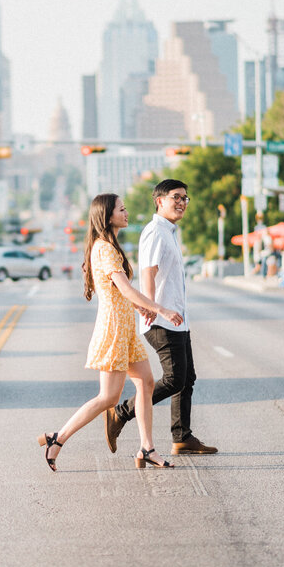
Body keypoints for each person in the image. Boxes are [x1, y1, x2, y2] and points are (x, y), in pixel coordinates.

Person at [38, 193, 184, 472]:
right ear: (107, 216)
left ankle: (147, 448)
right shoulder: (104, 248)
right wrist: (160, 309)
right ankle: (58, 438)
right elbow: (125, 288)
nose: (126, 213)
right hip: (114, 329)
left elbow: (120, 292)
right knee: (108, 398)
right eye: (121, 209)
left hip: (125, 326)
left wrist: (140, 308)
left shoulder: (110, 246)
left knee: (146, 382)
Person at [103, 178, 218, 456]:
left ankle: (182, 437)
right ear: (160, 201)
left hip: (176, 319)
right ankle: (121, 413)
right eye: (175, 197)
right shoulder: (155, 231)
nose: (181, 203)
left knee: (187, 377)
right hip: (161, 320)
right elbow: (148, 274)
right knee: (175, 378)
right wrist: (154, 311)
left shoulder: (169, 232)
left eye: (184, 198)